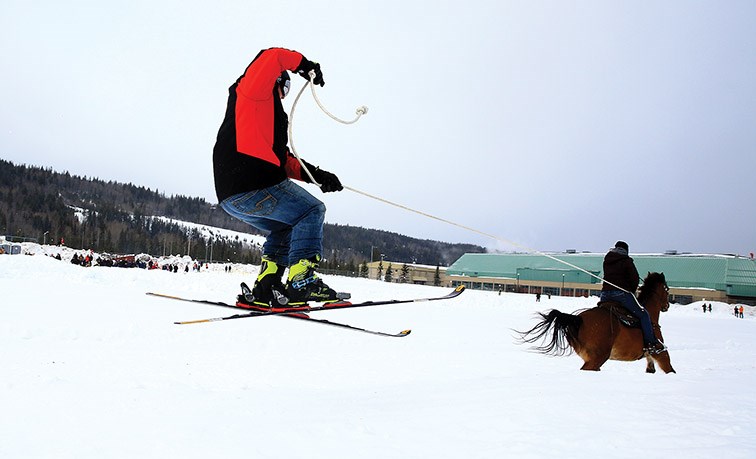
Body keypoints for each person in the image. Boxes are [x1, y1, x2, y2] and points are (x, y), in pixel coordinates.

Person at [213, 47, 344, 307]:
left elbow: (283, 161)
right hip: (254, 181)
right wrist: (304, 65)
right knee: (312, 211)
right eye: (284, 88)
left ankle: (267, 285)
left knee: (286, 226)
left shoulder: (267, 117)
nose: (284, 95)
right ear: (277, 81)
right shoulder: (253, 92)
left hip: (233, 196)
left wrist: (318, 177)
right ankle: (301, 281)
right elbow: (271, 56)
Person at [600, 241, 666, 354]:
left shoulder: (607, 260)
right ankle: (650, 343)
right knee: (644, 315)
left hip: (605, 295)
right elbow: (634, 279)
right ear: (626, 250)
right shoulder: (627, 261)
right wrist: (631, 290)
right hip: (621, 295)